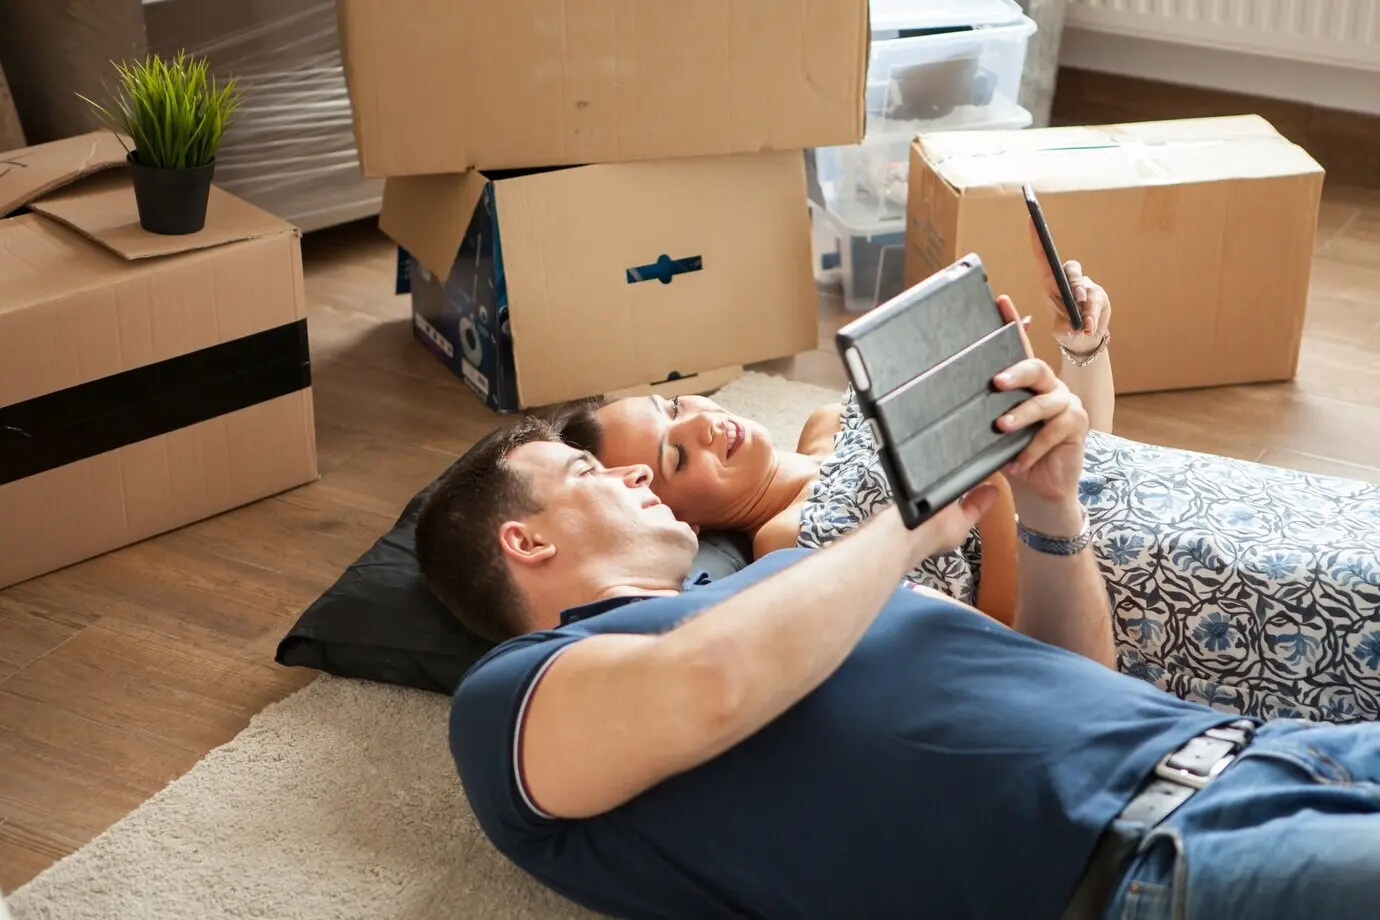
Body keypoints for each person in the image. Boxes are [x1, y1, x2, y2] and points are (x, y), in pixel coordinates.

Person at [416, 343, 1380, 920]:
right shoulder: (510, 695)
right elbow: (704, 687)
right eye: (593, 476)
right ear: (524, 541)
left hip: (1272, 751)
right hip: (1151, 865)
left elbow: (1075, 675)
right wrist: (909, 525)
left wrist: (1048, 510)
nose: (635, 476)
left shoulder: (795, 578)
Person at [570, 266, 1380, 725]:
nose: (705, 428)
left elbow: (1077, 449)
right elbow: (995, 650)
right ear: (675, 515)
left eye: (678, 408)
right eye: (679, 458)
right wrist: (992, 500)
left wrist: (1082, 350)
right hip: (1155, 586)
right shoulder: (789, 547)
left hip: (1180, 487)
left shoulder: (829, 417)